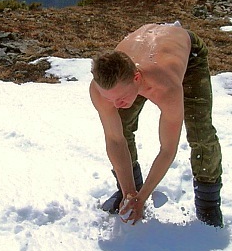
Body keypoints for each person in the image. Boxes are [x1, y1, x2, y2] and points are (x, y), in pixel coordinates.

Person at [89, 22, 224, 227]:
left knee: (201, 133)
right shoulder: (102, 90)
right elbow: (115, 139)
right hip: (144, 52)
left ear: (136, 79)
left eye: (122, 98)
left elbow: (168, 149)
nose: (116, 105)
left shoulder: (166, 87)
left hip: (188, 55)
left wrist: (142, 198)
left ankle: (208, 204)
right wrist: (129, 193)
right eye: (110, 99)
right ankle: (126, 190)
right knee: (122, 128)